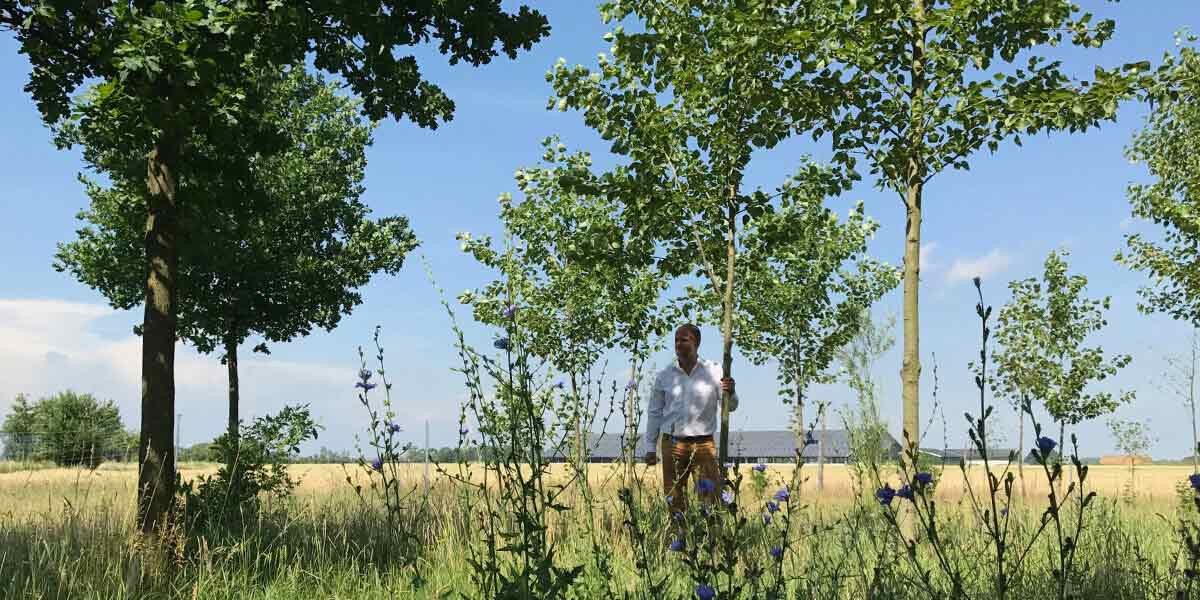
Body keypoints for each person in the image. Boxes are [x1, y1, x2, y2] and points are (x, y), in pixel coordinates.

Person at [644, 323, 737, 519]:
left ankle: (711, 540)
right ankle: (679, 539)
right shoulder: (664, 376)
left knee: (710, 496)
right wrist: (650, 447)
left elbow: (732, 405)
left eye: (683, 340)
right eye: (676, 340)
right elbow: (654, 412)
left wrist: (732, 392)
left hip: (704, 444)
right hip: (672, 444)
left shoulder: (714, 371)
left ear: (696, 343)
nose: (678, 344)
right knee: (674, 498)